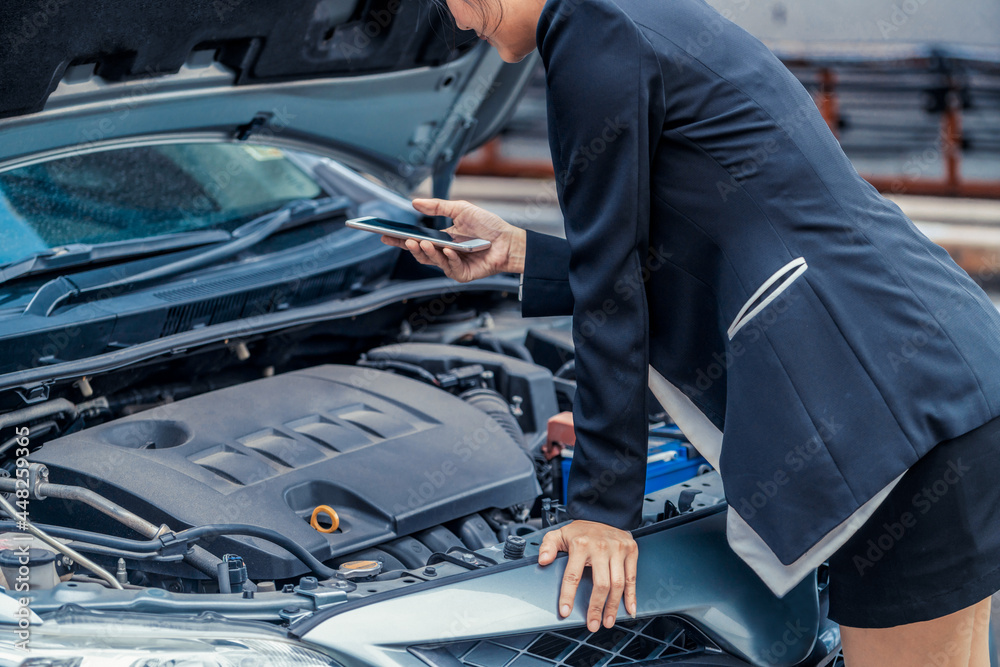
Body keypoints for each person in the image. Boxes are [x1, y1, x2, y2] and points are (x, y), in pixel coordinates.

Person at [383, 0, 1000, 663]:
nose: (450, 15)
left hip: (895, 420)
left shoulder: (593, 30)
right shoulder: (627, 12)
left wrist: (599, 510)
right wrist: (519, 252)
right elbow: (684, 245)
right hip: (934, 374)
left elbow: (612, 291)